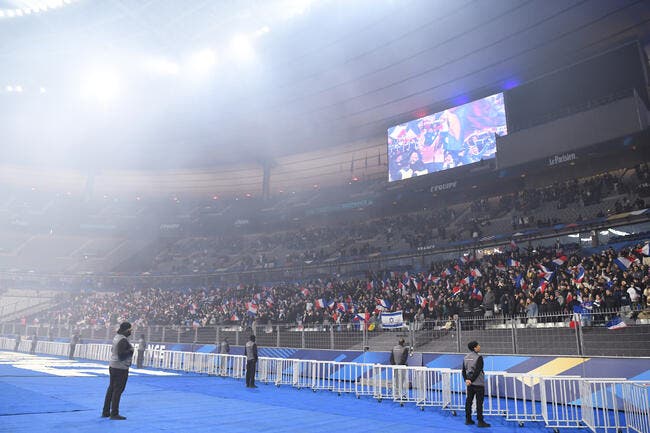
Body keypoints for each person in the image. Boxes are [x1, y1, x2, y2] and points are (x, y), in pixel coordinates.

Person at [102, 322, 134, 420]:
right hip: (120, 367)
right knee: (118, 390)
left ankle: (106, 411)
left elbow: (113, 351)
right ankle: (114, 413)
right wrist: (130, 351)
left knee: (111, 388)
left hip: (113, 365)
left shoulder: (117, 337)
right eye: (130, 330)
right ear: (126, 330)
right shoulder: (123, 340)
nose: (131, 331)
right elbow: (121, 355)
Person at [462, 341, 490, 427]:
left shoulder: (465, 357)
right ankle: (480, 421)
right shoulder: (479, 358)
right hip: (478, 384)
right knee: (479, 402)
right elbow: (478, 370)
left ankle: (468, 419)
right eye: (478, 345)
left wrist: (467, 380)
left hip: (470, 384)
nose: (479, 346)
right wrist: (472, 380)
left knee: (469, 401)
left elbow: (463, 371)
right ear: (474, 348)